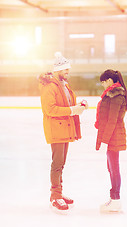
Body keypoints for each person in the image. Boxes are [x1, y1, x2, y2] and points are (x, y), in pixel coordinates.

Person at [39, 52, 88, 211]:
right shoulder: (50, 86)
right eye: (65, 70)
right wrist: (73, 110)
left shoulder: (64, 85)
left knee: (61, 163)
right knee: (57, 164)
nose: (68, 73)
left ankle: (59, 192)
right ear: (58, 70)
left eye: (68, 70)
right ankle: (55, 196)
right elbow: (50, 109)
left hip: (64, 128)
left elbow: (67, 104)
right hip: (56, 129)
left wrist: (79, 105)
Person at [95, 69, 127, 213]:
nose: (102, 85)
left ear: (109, 80)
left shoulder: (116, 95)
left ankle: (116, 199)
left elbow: (112, 120)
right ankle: (114, 198)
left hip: (113, 135)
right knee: (111, 168)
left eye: (103, 82)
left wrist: (104, 139)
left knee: (114, 168)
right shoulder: (112, 94)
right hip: (112, 135)